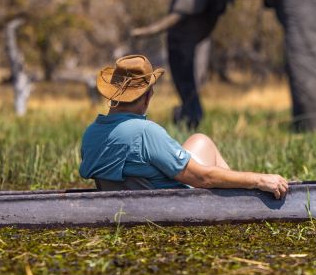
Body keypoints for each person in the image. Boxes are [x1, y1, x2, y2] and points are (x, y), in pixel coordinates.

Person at [80, 54, 289, 198]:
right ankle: (244, 202)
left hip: (127, 205)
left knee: (200, 141)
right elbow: (203, 178)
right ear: (147, 97)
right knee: (204, 144)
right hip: (168, 204)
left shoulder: (91, 133)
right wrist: (259, 179)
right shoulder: (145, 133)